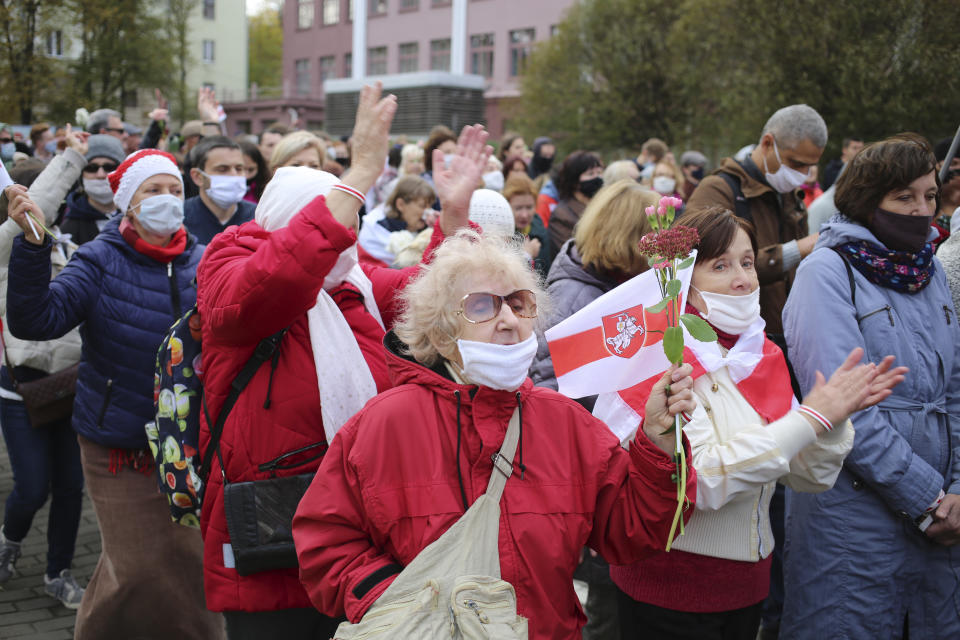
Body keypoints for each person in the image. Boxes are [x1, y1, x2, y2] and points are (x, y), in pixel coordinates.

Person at [291, 221, 698, 639]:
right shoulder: (381, 425)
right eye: (482, 306)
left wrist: (659, 445)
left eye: (519, 304)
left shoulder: (567, 422)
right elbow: (325, 543)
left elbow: (633, 531)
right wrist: (396, 599)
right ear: (442, 332)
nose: (508, 320)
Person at [194, 83, 490, 639]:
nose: (343, 232)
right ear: (287, 219)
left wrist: (453, 216)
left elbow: (431, 294)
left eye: (349, 218)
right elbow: (269, 285)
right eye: (333, 215)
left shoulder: (353, 281)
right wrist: (355, 176)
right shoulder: (232, 259)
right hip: (272, 537)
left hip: (358, 534)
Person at [601, 207, 903, 640]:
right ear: (685, 279)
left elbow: (810, 475)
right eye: (720, 265)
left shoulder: (759, 354)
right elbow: (701, 480)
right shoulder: (662, 359)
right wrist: (812, 416)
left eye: (747, 262)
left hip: (747, 590)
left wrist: (833, 418)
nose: (743, 278)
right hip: (670, 592)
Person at [4, 149, 222, 639]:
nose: (166, 200)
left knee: (188, 564)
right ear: (128, 204)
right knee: (139, 565)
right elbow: (36, 320)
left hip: (191, 441)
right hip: (119, 442)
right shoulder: (99, 259)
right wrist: (34, 247)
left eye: (173, 190)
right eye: (152, 191)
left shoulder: (206, 260)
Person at [781, 133, 960, 639]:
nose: (922, 209)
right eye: (904, 197)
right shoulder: (827, 272)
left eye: (929, 194)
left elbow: (955, 390)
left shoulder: (930, 271)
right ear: (867, 200)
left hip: (942, 521)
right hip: (853, 517)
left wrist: (957, 492)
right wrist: (926, 499)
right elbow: (844, 407)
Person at [0, 125, 90, 608]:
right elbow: (39, 208)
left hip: (72, 387)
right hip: (21, 390)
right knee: (32, 488)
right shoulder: (6, 250)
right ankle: (9, 542)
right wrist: (73, 157)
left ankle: (59, 572)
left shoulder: (71, 250)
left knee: (71, 487)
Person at [686, 104, 825, 337]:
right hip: (733, 339)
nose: (803, 173)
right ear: (768, 143)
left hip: (785, 335)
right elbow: (698, 268)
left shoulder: (790, 195)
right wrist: (799, 249)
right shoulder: (719, 190)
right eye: (796, 163)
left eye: (810, 166)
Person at [532, 180, 657, 410]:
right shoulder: (573, 297)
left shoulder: (622, 281)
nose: (659, 240)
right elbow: (549, 389)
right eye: (653, 231)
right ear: (630, 237)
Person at [184, 136, 256, 244]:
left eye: (239, 169)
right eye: (222, 169)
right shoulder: (180, 218)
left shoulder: (256, 217)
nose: (234, 175)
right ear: (198, 177)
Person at [60, 134, 126, 245]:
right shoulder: (68, 228)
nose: (100, 174)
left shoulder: (137, 219)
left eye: (109, 168)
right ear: (81, 175)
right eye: (92, 168)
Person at [357, 175, 436, 265]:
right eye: (423, 206)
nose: (429, 212)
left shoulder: (426, 231)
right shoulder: (376, 229)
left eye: (430, 206)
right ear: (401, 204)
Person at [546, 150, 604, 262]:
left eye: (599, 172)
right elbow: (571, 255)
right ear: (575, 181)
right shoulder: (561, 215)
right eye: (590, 174)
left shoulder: (603, 205)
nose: (597, 178)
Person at [504, 174, 549, 277]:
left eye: (529, 207)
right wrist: (526, 256)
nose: (524, 215)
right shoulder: (499, 236)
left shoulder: (542, 233)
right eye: (518, 208)